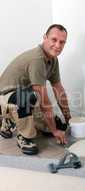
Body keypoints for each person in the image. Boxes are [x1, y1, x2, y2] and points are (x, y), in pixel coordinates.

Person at [0, 24, 71, 155]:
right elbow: (43, 99)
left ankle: (12, 119)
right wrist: (55, 132)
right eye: (54, 40)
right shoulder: (37, 59)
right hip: (6, 94)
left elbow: (59, 90)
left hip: (25, 94)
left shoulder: (53, 60)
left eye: (62, 42)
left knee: (59, 125)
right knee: (29, 97)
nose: (58, 45)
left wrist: (68, 119)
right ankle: (23, 136)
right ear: (45, 38)